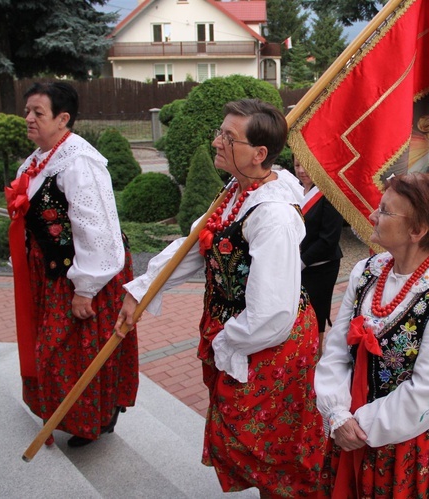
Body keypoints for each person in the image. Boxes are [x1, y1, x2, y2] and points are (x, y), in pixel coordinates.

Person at [116, 99, 325, 497]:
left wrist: (227, 341)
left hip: (267, 341)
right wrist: (141, 292)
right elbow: (192, 247)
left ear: (259, 154)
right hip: (241, 333)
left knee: (271, 448)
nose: (216, 142)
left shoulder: (274, 215)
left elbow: (273, 312)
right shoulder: (236, 191)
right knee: (255, 444)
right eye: (219, 132)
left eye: (228, 138)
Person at [315, 173, 429, 498]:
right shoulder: (367, 272)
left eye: (386, 211)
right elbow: (335, 350)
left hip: (408, 446)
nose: (373, 216)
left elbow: (428, 392)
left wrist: (358, 426)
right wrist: (336, 413)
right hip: (348, 428)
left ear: (417, 231)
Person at [5, 82, 139, 447]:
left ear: (63, 119)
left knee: (78, 350)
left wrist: (85, 290)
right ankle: (78, 414)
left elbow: (95, 229)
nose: (29, 118)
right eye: (28, 111)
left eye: (38, 113)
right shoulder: (38, 159)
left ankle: (98, 417)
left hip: (86, 273)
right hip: (52, 274)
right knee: (59, 350)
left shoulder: (79, 162)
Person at [294, 155, 344, 348]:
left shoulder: (330, 193)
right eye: (297, 164)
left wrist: (300, 262)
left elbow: (328, 239)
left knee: (316, 314)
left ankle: (316, 357)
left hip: (321, 267)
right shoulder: (295, 191)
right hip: (298, 264)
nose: (301, 170)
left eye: (306, 166)